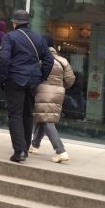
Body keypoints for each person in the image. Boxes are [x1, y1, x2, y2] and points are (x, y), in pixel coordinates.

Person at [0, 9, 53, 163]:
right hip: (32, 81)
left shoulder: (9, 37)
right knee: (27, 115)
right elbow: (49, 60)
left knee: (15, 115)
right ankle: (25, 148)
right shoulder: (39, 38)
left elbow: (4, 59)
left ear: (14, 23)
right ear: (28, 22)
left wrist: (3, 77)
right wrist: (41, 76)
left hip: (15, 79)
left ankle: (19, 151)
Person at [29, 35, 75, 164]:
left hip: (42, 91)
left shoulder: (40, 60)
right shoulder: (63, 61)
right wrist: (60, 86)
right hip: (58, 92)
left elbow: (32, 76)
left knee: (47, 120)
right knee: (44, 117)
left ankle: (60, 151)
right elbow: (71, 79)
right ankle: (35, 145)